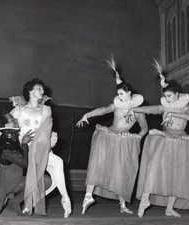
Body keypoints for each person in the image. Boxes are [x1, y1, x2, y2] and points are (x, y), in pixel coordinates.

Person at [128, 60, 189, 218]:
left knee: (177, 175)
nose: (167, 99)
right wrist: (133, 108)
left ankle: (169, 208)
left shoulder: (187, 106)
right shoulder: (165, 106)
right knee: (154, 170)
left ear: (178, 94)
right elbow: (152, 109)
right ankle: (145, 199)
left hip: (181, 141)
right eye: (165, 96)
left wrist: (172, 113)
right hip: (166, 140)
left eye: (169, 95)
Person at [76, 56, 148, 215]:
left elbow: (144, 128)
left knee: (123, 171)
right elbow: (102, 110)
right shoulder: (116, 105)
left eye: (122, 94)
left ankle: (122, 204)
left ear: (129, 93)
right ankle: (88, 195)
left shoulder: (138, 110)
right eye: (118, 94)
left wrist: (139, 136)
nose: (120, 97)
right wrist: (86, 115)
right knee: (97, 162)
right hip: (109, 136)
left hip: (125, 141)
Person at [10, 78, 72, 218]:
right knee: (58, 164)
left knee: (56, 174)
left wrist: (48, 144)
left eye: (43, 89)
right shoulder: (18, 110)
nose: (42, 91)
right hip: (24, 149)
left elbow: (45, 131)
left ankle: (32, 202)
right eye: (39, 88)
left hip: (41, 147)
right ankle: (64, 198)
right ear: (30, 91)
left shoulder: (46, 109)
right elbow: (7, 128)